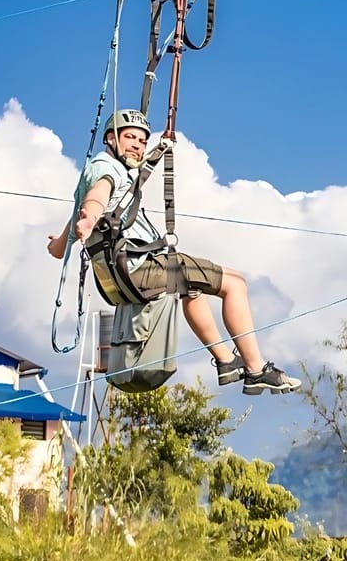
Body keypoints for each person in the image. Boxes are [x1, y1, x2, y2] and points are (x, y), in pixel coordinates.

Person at [48, 109, 301, 396]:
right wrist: (90, 217)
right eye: (129, 137)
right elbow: (98, 196)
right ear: (110, 139)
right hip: (140, 267)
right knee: (235, 283)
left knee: (191, 289)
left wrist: (60, 241)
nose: (137, 145)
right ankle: (257, 370)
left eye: (142, 141)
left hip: (125, 273)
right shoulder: (106, 168)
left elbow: (69, 233)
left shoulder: (106, 170)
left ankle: (226, 362)